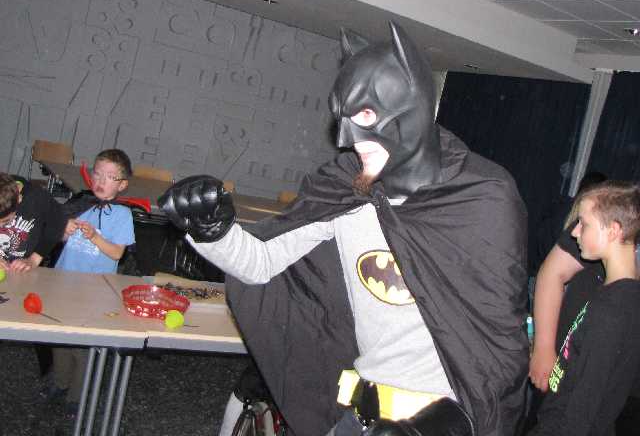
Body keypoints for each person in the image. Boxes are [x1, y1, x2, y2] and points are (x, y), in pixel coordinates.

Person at [159, 22, 529, 436]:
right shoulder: (346, 190)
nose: (348, 138)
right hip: (359, 414)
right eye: (345, 117)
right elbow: (262, 264)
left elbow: (497, 345)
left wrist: (447, 426)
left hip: (439, 423)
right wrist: (213, 230)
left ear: (414, 109)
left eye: (366, 114)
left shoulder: (480, 200)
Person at [528, 181, 640, 436]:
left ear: (613, 231)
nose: (575, 232)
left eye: (584, 224)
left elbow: (581, 414)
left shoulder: (610, 314)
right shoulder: (614, 296)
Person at [47, 149, 136, 413]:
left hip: (95, 290)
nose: (100, 181)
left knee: (83, 345)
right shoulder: (81, 204)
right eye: (97, 174)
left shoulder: (122, 214)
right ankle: (60, 381)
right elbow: (56, 238)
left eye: (109, 177)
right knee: (59, 337)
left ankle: (77, 395)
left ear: (122, 185)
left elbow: (117, 253)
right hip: (64, 280)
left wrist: (95, 236)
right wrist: (64, 230)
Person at [0, 172, 68, 272]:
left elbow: (58, 222)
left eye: (5, 221)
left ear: (19, 199)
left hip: (24, 270)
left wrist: (34, 260)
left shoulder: (37, 198)